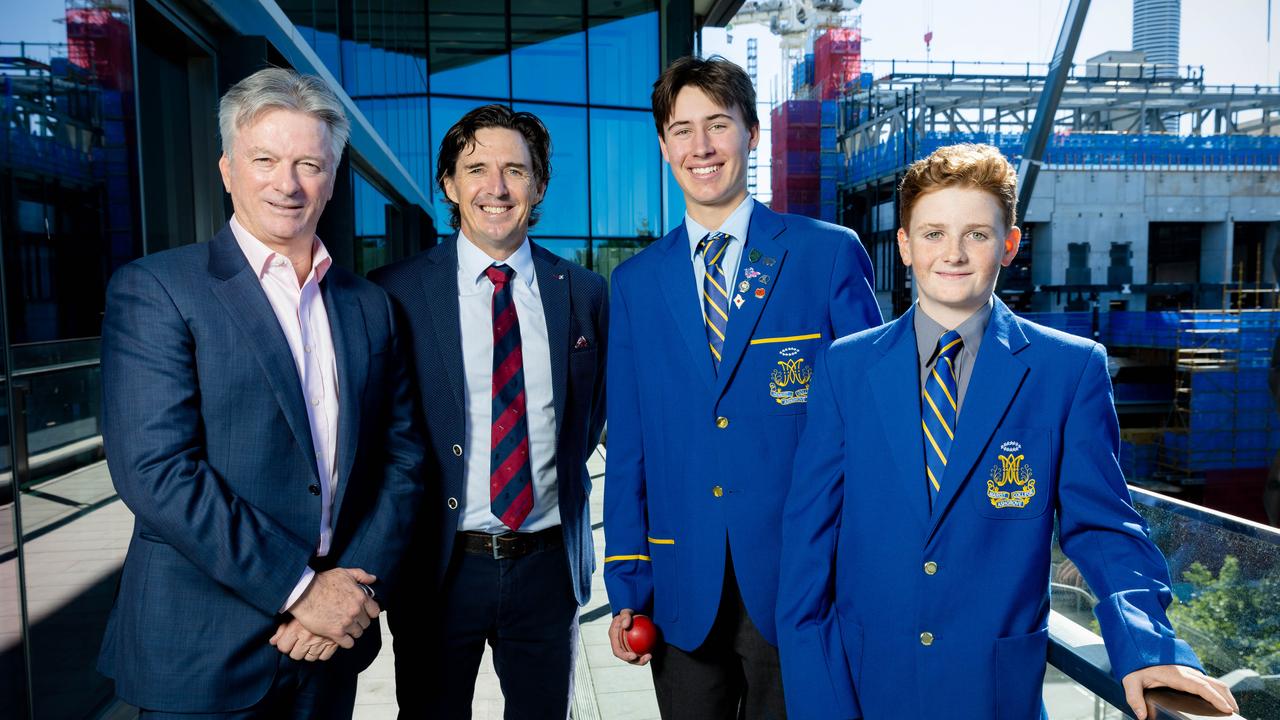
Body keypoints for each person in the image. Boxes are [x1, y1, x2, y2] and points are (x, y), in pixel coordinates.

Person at [775, 143, 1240, 720]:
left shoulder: (1068, 370)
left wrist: (1149, 644)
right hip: (868, 689)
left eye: (977, 234)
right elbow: (807, 551)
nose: (953, 253)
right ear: (904, 246)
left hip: (995, 697)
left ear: (1010, 245)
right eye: (932, 233)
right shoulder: (846, 367)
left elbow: (1103, 526)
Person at [98, 68, 425, 717]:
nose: (288, 182)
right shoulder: (157, 290)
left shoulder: (370, 308)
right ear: (227, 169)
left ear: (332, 179)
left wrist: (347, 597)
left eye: (309, 163)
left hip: (328, 650)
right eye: (266, 159)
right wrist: (301, 589)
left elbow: (403, 462)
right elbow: (156, 472)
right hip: (202, 653)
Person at [603, 56, 882, 719]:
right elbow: (631, 447)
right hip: (680, 588)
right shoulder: (637, 283)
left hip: (801, 579)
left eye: (718, 125)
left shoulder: (826, 254)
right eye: (682, 130)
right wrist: (625, 584)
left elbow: (873, 429)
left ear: (752, 133)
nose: (701, 147)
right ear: (664, 144)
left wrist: (864, 569)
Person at [370, 104, 607, 719]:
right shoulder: (394, 293)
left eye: (514, 170)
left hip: (548, 565)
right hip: (440, 568)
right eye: (477, 169)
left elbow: (591, 417)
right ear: (449, 184)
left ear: (539, 185)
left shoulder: (583, 294)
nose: (496, 188)